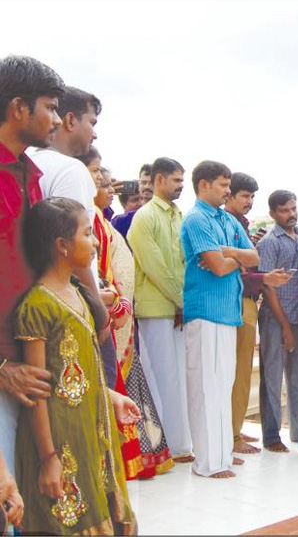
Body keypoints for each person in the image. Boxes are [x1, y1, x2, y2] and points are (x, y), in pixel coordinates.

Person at [15, 196, 139, 534]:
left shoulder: (78, 293)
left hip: (89, 431)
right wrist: (49, 459)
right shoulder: (38, 306)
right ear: (62, 246)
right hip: (59, 437)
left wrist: (110, 397)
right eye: (87, 234)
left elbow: (80, 365)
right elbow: (38, 391)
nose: (96, 241)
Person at [181, 161, 287, 478]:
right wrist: (233, 258)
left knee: (223, 385)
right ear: (203, 185)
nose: (227, 191)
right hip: (204, 310)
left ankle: (222, 455)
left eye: (229, 185)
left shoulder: (227, 220)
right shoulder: (196, 219)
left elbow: (254, 258)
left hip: (229, 312)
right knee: (205, 388)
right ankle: (207, 463)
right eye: (222, 185)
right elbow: (215, 266)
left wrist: (230, 253)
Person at [0, 53, 65, 532]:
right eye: (50, 106)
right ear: (18, 108)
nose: (58, 119)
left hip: (32, 362)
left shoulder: (32, 176)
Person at [29, 86, 116, 387]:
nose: (94, 134)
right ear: (69, 120)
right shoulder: (70, 171)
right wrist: (97, 307)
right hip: (70, 303)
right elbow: (74, 249)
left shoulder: (28, 160)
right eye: (91, 123)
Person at [127, 156, 194, 464]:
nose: (181, 186)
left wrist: (182, 302)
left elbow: (183, 264)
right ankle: (161, 446)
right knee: (160, 378)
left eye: (182, 181)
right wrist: (182, 301)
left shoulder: (178, 216)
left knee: (179, 378)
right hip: (156, 309)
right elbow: (155, 267)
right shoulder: (145, 217)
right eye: (176, 180)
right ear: (158, 181)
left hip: (178, 308)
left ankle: (180, 445)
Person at [89, 159, 146, 481]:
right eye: (104, 183)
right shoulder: (91, 219)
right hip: (106, 315)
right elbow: (97, 272)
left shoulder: (102, 221)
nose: (110, 190)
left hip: (116, 313)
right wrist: (114, 300)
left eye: (110, 185)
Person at [257, 190, 298, 453]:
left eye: (293, 208)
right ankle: (271, 436)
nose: (291, 214)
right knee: (273, 378)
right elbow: (268, 288)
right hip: (275, 319)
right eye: (284, 210)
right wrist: (285, 326)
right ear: (273, 214)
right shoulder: (269, 242)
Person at [223, 172, 267, 454]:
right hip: (237, 300)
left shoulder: (241, 225)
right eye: (245, 196)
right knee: (236, 371)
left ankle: (234, 428)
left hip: (246, 301)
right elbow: (238, 268)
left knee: (241, 371)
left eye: (252, 197)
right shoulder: (227, 223)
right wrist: (262, 277)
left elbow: (248, 264)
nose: (249, 201)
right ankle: (231, 435)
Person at [111, 164, 151, 238]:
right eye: (135, 200)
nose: (141, 203)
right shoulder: (119, 222)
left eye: (143, 199)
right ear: (123, 204)